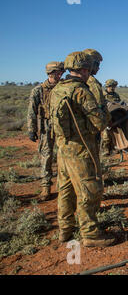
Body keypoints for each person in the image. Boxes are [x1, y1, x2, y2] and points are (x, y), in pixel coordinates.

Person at [49, 51, 114, 247]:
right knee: (89, 190)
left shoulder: (57, 89)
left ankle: (65, 230)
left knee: (65, 190)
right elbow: (100, 122)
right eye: (89, 68)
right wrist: (104, 108)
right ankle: (91, 234)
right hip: (81, 149)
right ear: (84, 69)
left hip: (63, 149)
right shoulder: (81, 91)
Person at [27, 61, 65, 201]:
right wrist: (32, 129)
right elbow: (32, 111)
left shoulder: (63, 88)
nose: (60, 75)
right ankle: (45, 188)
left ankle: (63, 187)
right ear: (50, 73)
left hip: (62, 126)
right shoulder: (38, 90)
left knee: (64, 156)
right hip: (46, 126)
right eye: (57, 72)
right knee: (46, 156)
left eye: (61, 72)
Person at [101, 79, 121, 155]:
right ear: (107, 87)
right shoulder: (102, 95)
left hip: (114, 117)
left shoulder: (116, 95)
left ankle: (114, 148)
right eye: (110, 86)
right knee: (106, 135)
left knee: (114, 134)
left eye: (113, 86)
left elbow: (119, 104)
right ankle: (105, 150)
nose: (112, 88)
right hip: (105, 117)